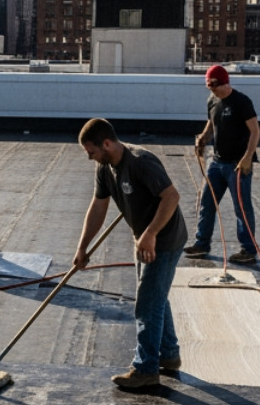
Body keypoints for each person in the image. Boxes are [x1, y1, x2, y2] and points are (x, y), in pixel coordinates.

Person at [73, 118, 188, 390]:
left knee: (147, 304)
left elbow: (171, 197)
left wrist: (150, 234)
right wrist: (82, 247)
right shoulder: (104, 168)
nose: (89, 157)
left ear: (106, 143)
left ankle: (146, 368)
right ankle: (168, 354)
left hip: (164, 239)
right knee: (155, 297)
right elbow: (98, 207)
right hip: (144, 239)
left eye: (91, 151)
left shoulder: (140, 162)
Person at [185, 64, 260, 264]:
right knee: (207, 202)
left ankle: (248, 249)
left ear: (225, 83)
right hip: (217, 162)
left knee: (241, 207)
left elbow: (255, 131)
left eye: (214, 86)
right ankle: (202, 244)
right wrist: (203, 138)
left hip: (238, 164)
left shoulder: (241, 102)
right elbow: (212, 122)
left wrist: (248, 157)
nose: (212, 90)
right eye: (209, 86)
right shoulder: (212, 100)